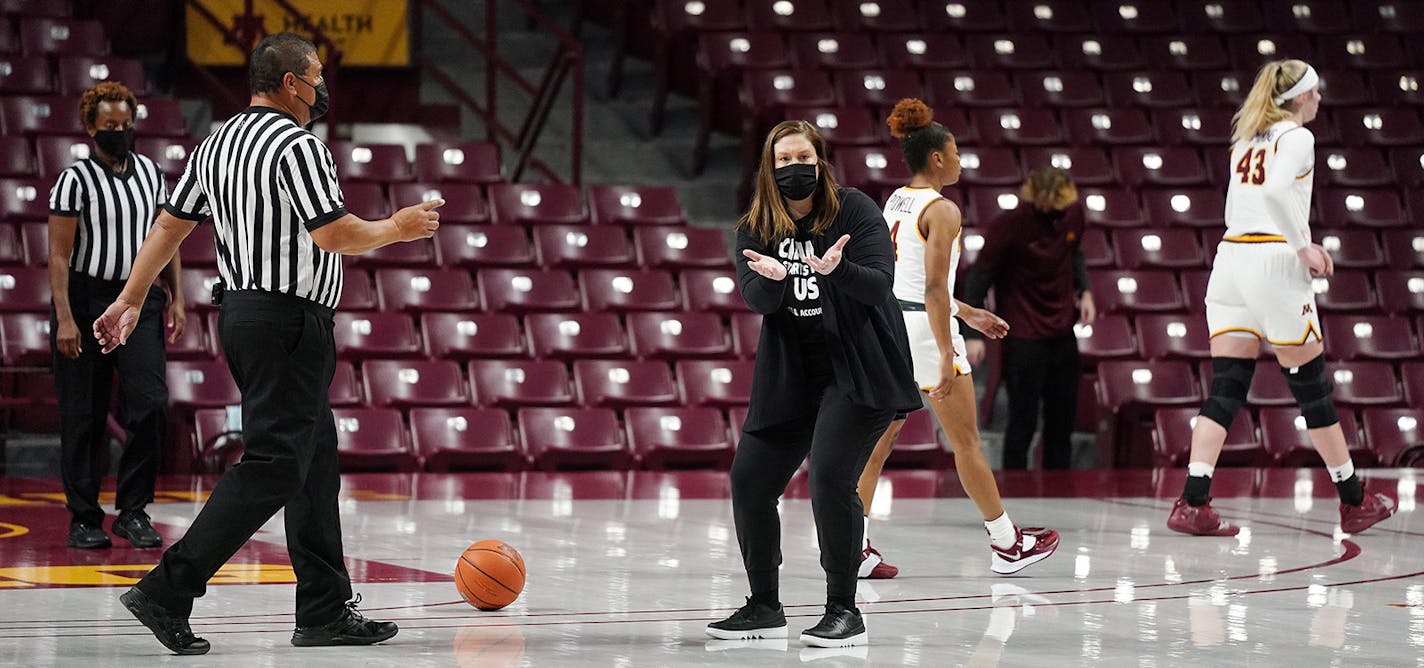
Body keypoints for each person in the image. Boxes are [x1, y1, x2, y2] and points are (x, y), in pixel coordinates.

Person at [92, 33, 443, 655]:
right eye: (315, 75)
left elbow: (169, 227)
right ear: (290, 84)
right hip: (288, 321)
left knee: (314, 462)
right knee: (277, 463)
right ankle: (169, 588)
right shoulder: (298, 144)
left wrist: (127, 299)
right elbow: (335, 234)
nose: (322, 85)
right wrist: (399, 227)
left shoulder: (217, 142)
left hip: (247, 317)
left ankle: (325, 609)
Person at [705, 120, 922, 648]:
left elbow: (879, 286)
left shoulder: (855, 210)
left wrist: (836, 270)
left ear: (820, 161)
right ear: (768, 169)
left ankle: (844, 610)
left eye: (802, 157)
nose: (793, 168)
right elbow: (755, 299)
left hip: (858, 370)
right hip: (793, 375)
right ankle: (763, 606)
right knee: (750, 481)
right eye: (782, 161)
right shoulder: (756, 226)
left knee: (829, 480)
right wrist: (775, 282)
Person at [1165, 59, 1394, 536]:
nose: (1320, 101)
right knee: (1311, 389)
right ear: (1299, 98)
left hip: (1229, 261)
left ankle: (1192, 501)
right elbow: (1272, 194)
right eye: (1315, 93)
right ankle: (1354, 501)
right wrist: (1301, 246)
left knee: (1226, 389)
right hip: (1272, 260)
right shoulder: (1298, 137)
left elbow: (1243, 200)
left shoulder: (1246, 136)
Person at [855, 99, 1060, 579]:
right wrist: (949, 351)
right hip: (926, 331)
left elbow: (909, 284)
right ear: (938, 159)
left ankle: (853, 546)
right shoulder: (944, 210)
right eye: (957, 153)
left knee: (877, 444)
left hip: (890, 324)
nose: (963, 161)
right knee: (967, 442)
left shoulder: (897, 200)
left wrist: (970, 313)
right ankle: (1008, 544)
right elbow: (930, 288)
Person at [47, 81, 183, 550]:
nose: (120, 132)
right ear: (91, 127)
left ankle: (133, 510)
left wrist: (178, 296)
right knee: (84, 412)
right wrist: (65, 317)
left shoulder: (150, 172)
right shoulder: (74, 179)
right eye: (110, 126)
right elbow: (59, 256)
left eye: (126, 125)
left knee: (150, 402)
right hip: (86, 299)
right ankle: (84, 516)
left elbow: (168, 237)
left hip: (139, 297)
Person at [962, 167, 1094, 470]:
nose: (1047, 206)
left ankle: (1059, 486)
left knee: (1062, 419)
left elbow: (1074, 254)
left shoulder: (1074, 215)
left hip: (1062, 331)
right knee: (1022, 418)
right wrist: (972, 334)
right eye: (1042, 200)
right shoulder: (1009, 225)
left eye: (1054, 201)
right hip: (1023, 334)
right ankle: (1014, 488)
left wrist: (1085, 290)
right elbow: (978, 278)